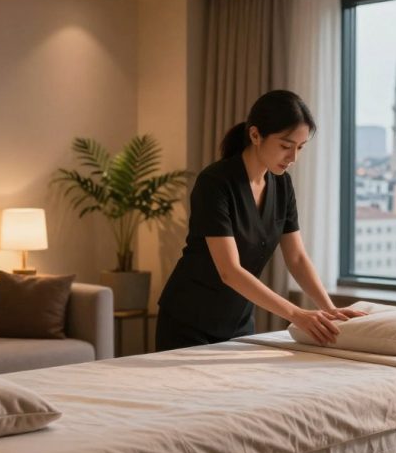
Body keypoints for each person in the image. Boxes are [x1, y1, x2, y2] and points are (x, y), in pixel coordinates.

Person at [156, 90, 365, 351]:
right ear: (255, 135)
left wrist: (330, 309)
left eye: (300, 147)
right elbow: (229, 270)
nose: (293, 158)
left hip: (238, 321)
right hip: (188, 320)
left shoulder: (282, 184)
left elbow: (297, 257)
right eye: (286, 146)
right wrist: (297, 315)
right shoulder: (215, 183)